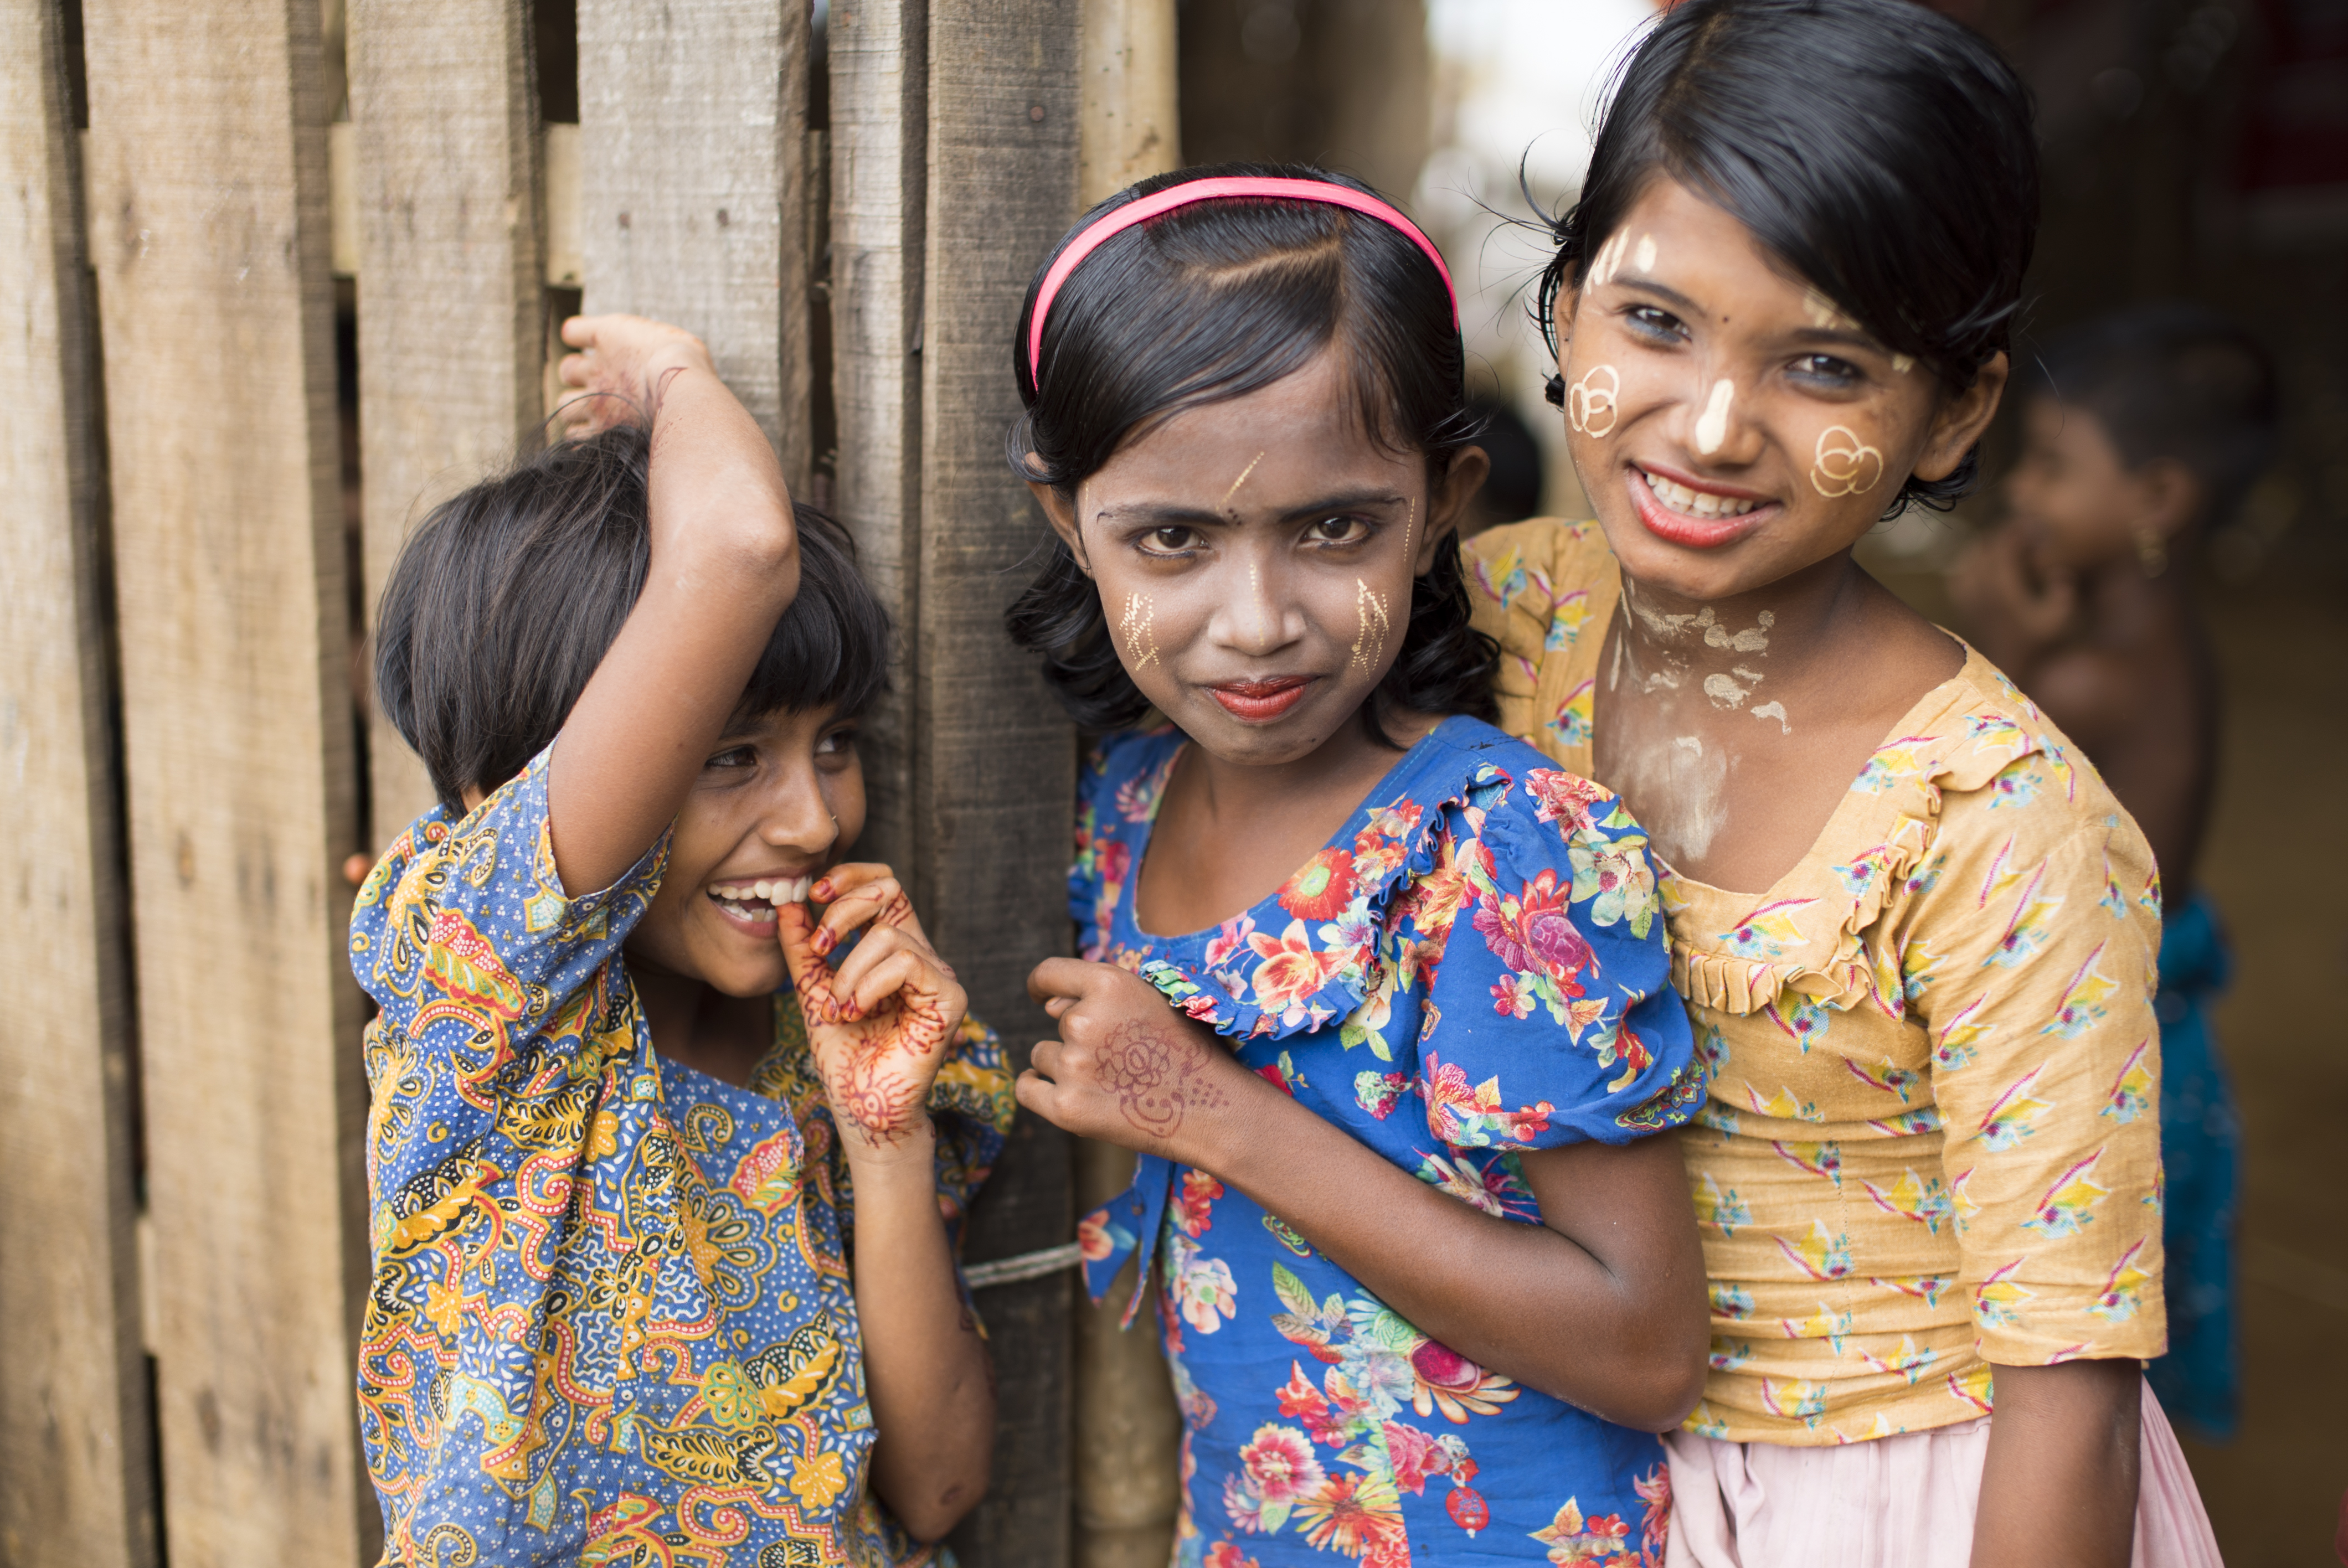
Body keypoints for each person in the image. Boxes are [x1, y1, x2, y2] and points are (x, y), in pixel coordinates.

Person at [1458, 2, 2223, 1562]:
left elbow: (2067, 1401)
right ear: (1566, 307)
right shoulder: (1491, 625)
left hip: (1904, 1506)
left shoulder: (1998, 828)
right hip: (1555, 1478)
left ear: (1954, 411)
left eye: (1822, 366)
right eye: (1655, 322)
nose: (1713, 427)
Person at [1003, 164, 1712, 1567]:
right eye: (1172, 540)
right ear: (1067, 521)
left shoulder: (1494, 851)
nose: (1256, 620)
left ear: (1441, 502)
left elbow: (1644, 1348)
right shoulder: (1121, 805)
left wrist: (1210, 1113)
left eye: (1332, 528)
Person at [349, 315, 1011, 1565]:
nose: (815, 818)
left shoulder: (832, 1048)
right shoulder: (486, 1003)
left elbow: (936, 1491)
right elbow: (739, 549)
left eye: (834, 743)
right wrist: (669, 378)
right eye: (728, 756)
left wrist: (884, 1145)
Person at [1950, 304, 2279, 1440]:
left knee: (2077, 1393)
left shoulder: (2086, 683)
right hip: (2172, 1042)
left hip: (2110, 1055)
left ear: (2156, 499)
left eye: (2051, 464)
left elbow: (1968, 794)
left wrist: (1996, 645)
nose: (2020, 491)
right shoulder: (2157, 640)